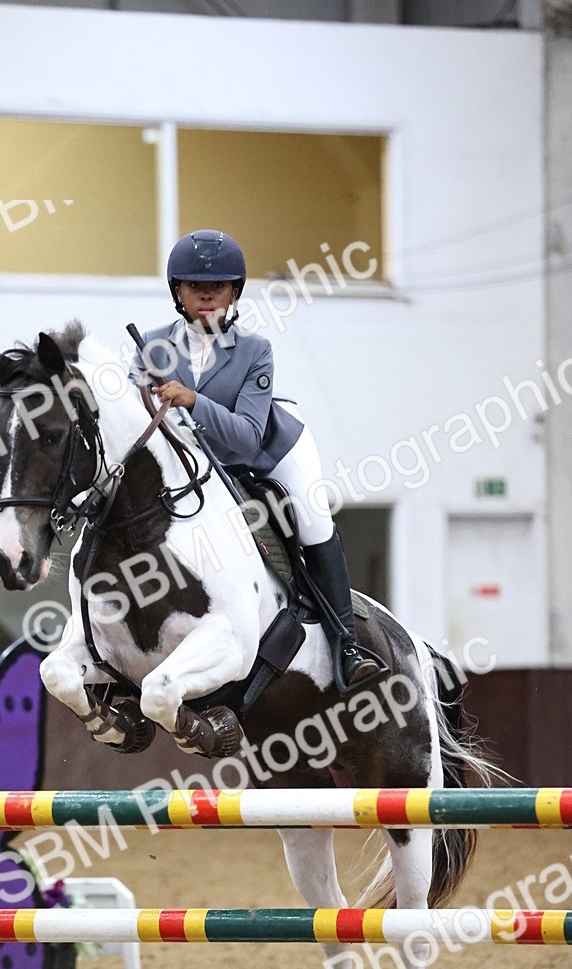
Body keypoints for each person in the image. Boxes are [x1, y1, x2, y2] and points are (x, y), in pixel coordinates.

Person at [130, 229, 384, 690]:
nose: (206, 295)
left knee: (312, 522)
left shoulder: (255, 349)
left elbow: (246, 439)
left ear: (235, 292)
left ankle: (347, 645)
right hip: (197, 463)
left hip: (268, 452)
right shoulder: (150, 346)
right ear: (177, 292)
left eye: (219, 287)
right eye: (193, 286)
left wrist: (191, 402)